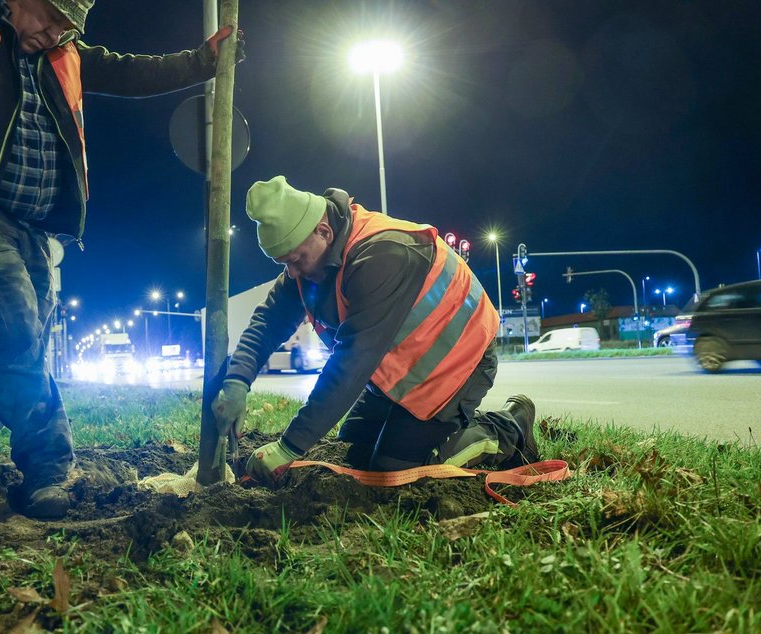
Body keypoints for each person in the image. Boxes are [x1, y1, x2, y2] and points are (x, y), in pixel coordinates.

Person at [0, 0, 240, 518]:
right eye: (49, 19)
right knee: (13, 338)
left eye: (66, 28)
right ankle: (51, 467)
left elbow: (131, 72)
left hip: (31, 229)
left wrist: (203, 62)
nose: (54, 35)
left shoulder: (64, 54)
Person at [212, 176, 539, 484]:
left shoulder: (382, 254)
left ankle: (508, 428)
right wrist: (237, 380)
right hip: (403, 373)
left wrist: (288, 448)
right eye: (284, 264)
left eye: (296, 259)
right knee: (352, 451)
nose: (292, 271)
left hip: (460, 363)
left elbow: (352, 363)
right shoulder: (309, 258)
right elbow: (268, 322)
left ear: (324, 231)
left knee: (394, 472)